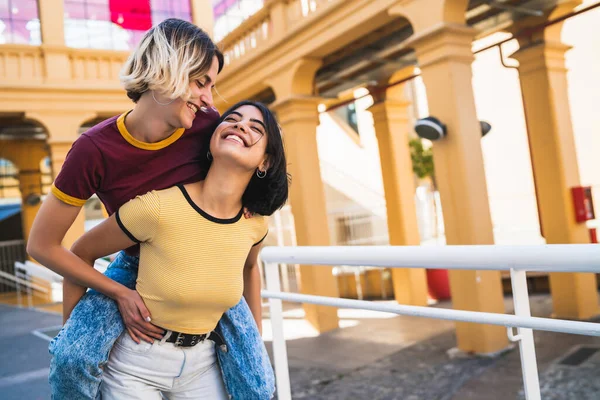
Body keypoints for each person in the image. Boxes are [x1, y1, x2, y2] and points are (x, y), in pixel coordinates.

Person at [26, 18, 228, 398]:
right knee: (72, 360)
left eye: (211, 86)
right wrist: (119, 293)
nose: (209, 99)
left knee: (256, 378)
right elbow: (42, 244)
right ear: (167, 71)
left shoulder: (208, 127)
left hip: (208, 271)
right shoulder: (94, 149)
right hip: (136, 274)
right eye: (201, 83)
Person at [57, 101, 288, 398]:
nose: (241, 126)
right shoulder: (155, 207)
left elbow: (249, 266)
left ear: (265, 163)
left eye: (256, 128)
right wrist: (75, 338)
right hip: (134, 365)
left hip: (205, 363)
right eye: (232, 119)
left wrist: (252, 338)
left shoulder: (254, 226)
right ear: (212, 141)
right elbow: (80, 254)